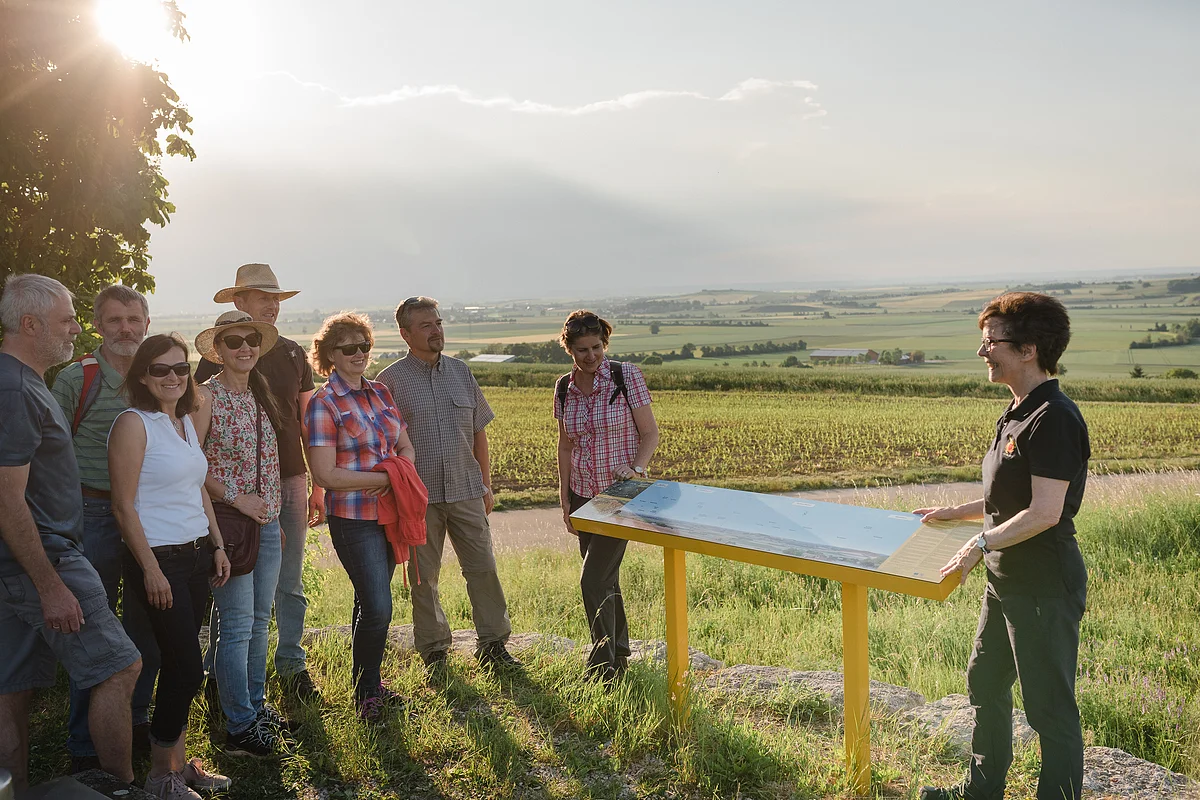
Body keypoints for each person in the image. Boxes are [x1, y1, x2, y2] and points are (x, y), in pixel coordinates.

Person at [915, 293, 1089, 800]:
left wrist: (977, 545)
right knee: (985, 683)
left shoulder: (1053, 417)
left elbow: (1044, 512)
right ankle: (982, 792)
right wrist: (956, 512)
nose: (982, 352)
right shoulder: (1016, 411)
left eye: (991, 342)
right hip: (1005, 581)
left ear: (1029, 348)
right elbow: (1007, 498)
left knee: (1047, 708)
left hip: (1042, 588)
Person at [0, 274, 142, 793]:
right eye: (66, 319)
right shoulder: (15, 388)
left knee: (11, 688)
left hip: (20, 562)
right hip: (44, 558)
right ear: (30, 323)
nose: (75, 329)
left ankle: (13, 789)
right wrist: (49, 582)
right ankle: (119, 787)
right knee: (120, 666)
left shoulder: (21, 379)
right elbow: (5, 498)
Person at [109, 333, 232, 799]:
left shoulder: (182, 424)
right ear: (143, 375)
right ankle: (161, 777)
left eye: (180, 368)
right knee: (185, 667)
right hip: (158, 558)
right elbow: (123, 507)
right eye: (160, 369)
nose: (173, 377)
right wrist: (150, 570)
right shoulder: (133, 423)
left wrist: (217, 544)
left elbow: (197, 488)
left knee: (182, 664)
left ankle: (179, 765)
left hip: (197, 553)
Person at [196, 263, 322, 700]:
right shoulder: (214, 369)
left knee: (286, 581)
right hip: (230, 494)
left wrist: (316, 482)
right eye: (261, 297)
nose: (271, 305)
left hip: (285, 482)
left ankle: (289, 666)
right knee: (233, 591)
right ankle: (222, 683)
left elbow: (307, 420)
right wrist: (225, 495)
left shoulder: (291, 353)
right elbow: (196, 434)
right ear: (239, 303)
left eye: (276, 299)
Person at [376, 297, 518, 676]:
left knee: (484, 568)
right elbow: (384, 445)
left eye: (438, 322)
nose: (436, 330)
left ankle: (493, 644)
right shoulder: (389, 382)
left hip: (467, 489)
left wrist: (486, 485)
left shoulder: (461, 372)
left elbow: (478, 433)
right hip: (418, 498)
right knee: (424, 578)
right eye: (425, 325)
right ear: (406, 334)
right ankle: (435, 649)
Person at [51, 284, 160, 770]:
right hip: (90, 516)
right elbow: (46, 455)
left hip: (145, 517)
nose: (126, 330)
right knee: (93, 635)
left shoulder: (157, 377)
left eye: (134, 320)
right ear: (98, 325)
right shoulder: (78, 379)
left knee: (145, 628)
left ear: (147, 324)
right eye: (115, 320)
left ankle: (134, 727)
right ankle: (84, 749)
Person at [305, 312, 416, 722]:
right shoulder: (323, 404)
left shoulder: (381, 392)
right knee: (379, 606)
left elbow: (406, 447)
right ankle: (367, 692)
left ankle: (367, 687)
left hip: (389, 511)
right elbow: (325, 474)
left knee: (368, 602)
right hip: (353, 519)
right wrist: (382, 478)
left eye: (364, 346)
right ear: (330, 354)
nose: (358, 354)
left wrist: (392, 475)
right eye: (347, 348)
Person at [192, 311, 286, 758]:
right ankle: (239, 728)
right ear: (219, 350)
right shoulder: (205, 398)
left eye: (251, 339)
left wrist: (273, 518)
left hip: (266, 525)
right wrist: (236, 497)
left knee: (258, 623)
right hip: (226, 526)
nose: (244, 347)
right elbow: (190, 465)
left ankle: (251, 707)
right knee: (234, 625)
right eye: (234, 341)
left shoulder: (258, 394)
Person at [555, 310, 659, 681]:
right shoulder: (564, 387)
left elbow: (650, 434)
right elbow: (565, 446)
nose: (590, 356)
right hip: (583, 493)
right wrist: (565, 497)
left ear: (605, 344)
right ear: (568, 348)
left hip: (620, 495)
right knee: (606, 579)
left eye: (596, 347)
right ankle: (620, 654)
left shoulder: (624, 375)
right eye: (581, 349)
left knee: (592, 580)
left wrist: (637, 470)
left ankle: (602, 667)